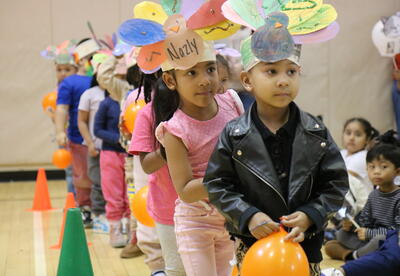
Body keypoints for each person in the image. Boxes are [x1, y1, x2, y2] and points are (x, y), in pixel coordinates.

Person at [203, 13, 348, 276]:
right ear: (247, 80)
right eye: (271, 71)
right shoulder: (234, 133)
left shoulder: (316, 132)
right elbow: (216, 184)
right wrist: (247, 215)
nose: (283, 80)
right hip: (253, 247)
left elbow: (336, 184)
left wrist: (311, 215)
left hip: (304, 247)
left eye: (291, 71)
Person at [154, 40, 243, 275]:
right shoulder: (174, 130)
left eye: (210, 69)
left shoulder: (232, 102)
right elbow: (185, 189)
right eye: (191, 72)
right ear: (171, 80)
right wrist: (230, 179)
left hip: (232, 217)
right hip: (196, 223)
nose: (205, 80)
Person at [129, 72, 186, 276]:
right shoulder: (148, 114)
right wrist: (169, 146)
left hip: (208, 207)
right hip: (168, 207)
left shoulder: (206, 109)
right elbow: (147, 165)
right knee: (177, 269)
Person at [322, 131, 400, 276]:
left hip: (386, 242)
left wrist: (369, 233)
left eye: (383, 167)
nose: (376, 172)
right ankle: (357, 256)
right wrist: (352, 226)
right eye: (372, 167)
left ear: (397, 171)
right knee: (338, 237)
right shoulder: (374, 195)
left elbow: (396, 233)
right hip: (368, 242)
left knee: (379, 240)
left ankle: (356, 258)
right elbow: (365, 222)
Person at [55, 38, 100, 227]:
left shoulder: (101, 80)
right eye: (91, 58)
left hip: (102, 139)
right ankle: (85, 208)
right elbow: (62, 108)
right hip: (78, 138)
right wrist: (59, 131)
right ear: (81, 60)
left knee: (100, 176)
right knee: (82, 176)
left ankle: (102, 210)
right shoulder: (70, 83)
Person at [41, 40, 77, 195]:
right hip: (65, 136)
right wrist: (53, 116)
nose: (63, 73)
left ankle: (80, 201)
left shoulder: (77, 87)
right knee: (69, 170)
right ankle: (72, 201)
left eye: (67, 69)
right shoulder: (57, 90)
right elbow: (59, 117)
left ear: (75, 69)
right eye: (59, 69)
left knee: (80, 170)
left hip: (78, 134)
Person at [77, 53, 109, 233]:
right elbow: (82, 121)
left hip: (114, 148)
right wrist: (89, 142)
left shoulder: (117, 92)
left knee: (115, 184)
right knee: (97, 182)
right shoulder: (89, 94)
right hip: (95, 147)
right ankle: (98, 215)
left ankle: (115, 215)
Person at [94, 93, 130, 247]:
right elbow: (97, 130)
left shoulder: (132, 100)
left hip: (131, 154)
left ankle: (132, 231)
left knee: (131, 194)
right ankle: (114, 232)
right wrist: (117, 138)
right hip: (110, 153)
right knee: (113, 194)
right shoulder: (106, 103)